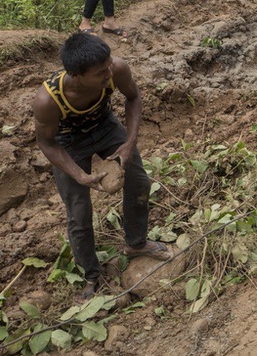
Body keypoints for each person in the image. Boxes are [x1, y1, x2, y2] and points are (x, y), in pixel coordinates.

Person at [33, 33, 171, 298]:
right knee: (79, 211)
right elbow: (47, 143)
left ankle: (136, 243)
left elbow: (133, 98)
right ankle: (92, 274)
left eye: (108, 65)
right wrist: (79, 175)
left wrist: (129, 143)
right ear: (75, 74)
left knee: (139, 181)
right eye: (99, 73)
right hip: (68, 142)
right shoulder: (47, 101)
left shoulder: (116, 69)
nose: (108, 73)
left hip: (106, 127)